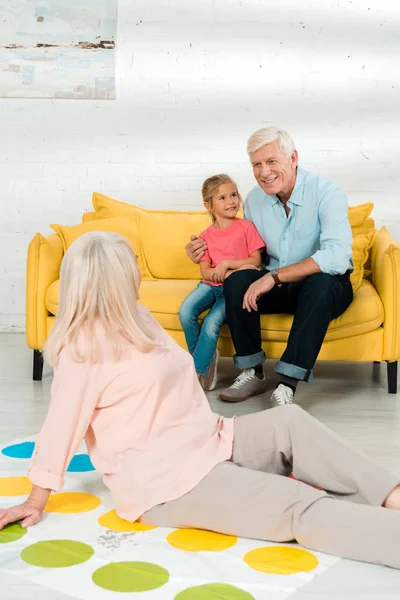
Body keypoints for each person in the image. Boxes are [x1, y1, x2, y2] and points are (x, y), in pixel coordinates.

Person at [1, 231, 400, 570]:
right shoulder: (83, 349)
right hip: (168, 482)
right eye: (132, 267)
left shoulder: (137, 317)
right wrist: (37, 499)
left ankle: (392, 496)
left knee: (291, 424)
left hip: (210, 439)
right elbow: (61, 425)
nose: (140, 273)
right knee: (296, 502)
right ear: (111, 281)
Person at [185, 127, 354, 406]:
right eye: (257, 164)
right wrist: (205, 254)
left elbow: (335, 257)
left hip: (323, 287)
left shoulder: (326, 192)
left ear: (293, 158)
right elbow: (250, 252)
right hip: (277, 284)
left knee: (321, 283)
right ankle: (251, 371)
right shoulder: (254, 199)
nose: (264, 172)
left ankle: (287, 383)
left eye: (272, 161)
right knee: (238, 281)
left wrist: (273, 277)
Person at [179, 174, 265, 391]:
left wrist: (226, 264)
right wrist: (221, 272)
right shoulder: (205, 236)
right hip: (209, 286)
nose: (231, 202)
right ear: (208, 205)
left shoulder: (246, 227)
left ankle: (197, 373)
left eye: (234, 195)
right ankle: (206, 359)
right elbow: (206, 271)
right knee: (185, 311)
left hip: (231, 291)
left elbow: (255, 260)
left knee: (211, 323)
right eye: (223, 198)